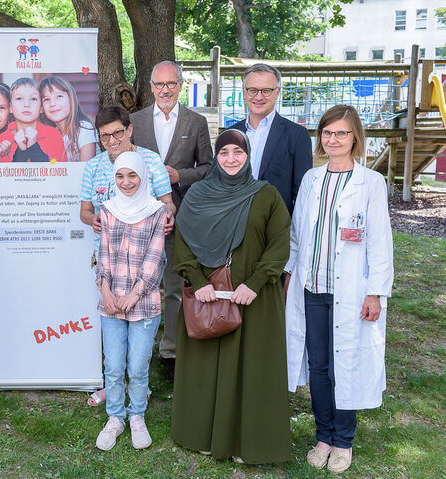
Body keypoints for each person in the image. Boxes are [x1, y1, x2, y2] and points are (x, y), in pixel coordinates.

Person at [170, 129, 291, 464]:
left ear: (248, 155)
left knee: (250, 371)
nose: (231, 159)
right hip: (208, 296)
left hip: (252, 299)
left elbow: (279, 243)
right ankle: (202, 434)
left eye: (238, 152)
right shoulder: (196, 195)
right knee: (205, 368)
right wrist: (197, 280)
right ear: (216, 158)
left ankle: (244, 442)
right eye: (224, 153)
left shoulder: (266, 195)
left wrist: (254, 283)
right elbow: (183, 245)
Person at [284, 105, 393, 474]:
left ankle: (343, 440)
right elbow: (297, 237)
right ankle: (323, 435)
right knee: (318, 365)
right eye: (328, 133)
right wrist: (289, 276)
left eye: (342, 133)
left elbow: (380, 243)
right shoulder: (312, 180)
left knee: (344, 364)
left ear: (355, 138)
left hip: (352, 292)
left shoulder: (370, 183)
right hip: (312, 288)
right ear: (320, 138)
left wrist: (376, 292)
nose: (334, 140)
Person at [80, 104, 176, 407]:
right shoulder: (94, 166)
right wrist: (91, 220)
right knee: (111, 314)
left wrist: (168, 217)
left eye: (117, 133)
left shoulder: (150, 161)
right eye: (104, 136)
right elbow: (84, 210)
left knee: (138, 316)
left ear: (129, 129)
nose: (112, 141)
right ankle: (115, 384)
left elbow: (167, 203)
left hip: (141, 254)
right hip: (104, 255)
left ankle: (137, 384)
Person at [130, 60, 213, 382]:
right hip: (138, 218)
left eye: (171, 84)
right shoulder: (134, 122)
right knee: (138, 285)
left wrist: (182, 175)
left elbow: (208, 167)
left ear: (180, 85)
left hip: (179, 216)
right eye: (159, 84)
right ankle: (137, 351)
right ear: (151, 87)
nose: (165, 90)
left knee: (175, 288)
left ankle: (171, 352)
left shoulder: (195, 122)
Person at [94, 151, 168, 451]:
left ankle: (136, 414)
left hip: (144, 303)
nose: (126, 182)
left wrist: (136, 293)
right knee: (112, 366)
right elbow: (104, 253)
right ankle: (115, 417)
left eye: (132, 175)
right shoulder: (108, 209)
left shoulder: (156, 211)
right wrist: (105, 290)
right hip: (111, 304)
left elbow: (155, 256)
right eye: (120, 176)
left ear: (142, 176)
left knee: (137, 366)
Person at [231, 63, 312, 216]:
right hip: (233, 221)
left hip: (275, 226)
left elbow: (302, 192)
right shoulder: (231, 134)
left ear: (277, 92)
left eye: (266, 91)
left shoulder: (297, 135)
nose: (259, 97)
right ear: (244, 92)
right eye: (252, 90)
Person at [0, 78, 66, 163]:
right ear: (10, 107)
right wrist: (22, 152)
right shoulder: (2, 139)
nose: (26, 105)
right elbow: (5, 175)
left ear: (41, 108)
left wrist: (33, 147)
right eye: (19, 98)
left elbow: (58, 173)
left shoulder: (54, 135)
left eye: (33, 99)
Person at [39, 76, 97, 162]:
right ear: (41, 108)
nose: (52, 103)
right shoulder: (51, 134)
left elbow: (86, 170)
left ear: (71, 99)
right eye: (46, 99)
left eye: (59, 96)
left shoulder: (84, 128)